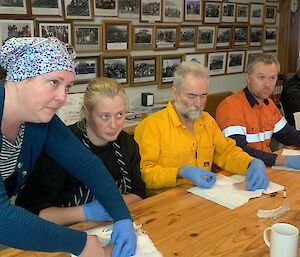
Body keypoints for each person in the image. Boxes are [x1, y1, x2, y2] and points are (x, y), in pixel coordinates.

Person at [0, 37, 136, 257]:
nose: (63, 97)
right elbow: (2, 218)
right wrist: (80, 243)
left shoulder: (39, 120)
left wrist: (122, 216)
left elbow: (87, 164)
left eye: (68, 86)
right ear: (20, 78)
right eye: (54, 82)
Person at [16, 77, 146, 225]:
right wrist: (86, 212)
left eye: (120, 114)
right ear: (86, 112)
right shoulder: (60, 147)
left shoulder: (127, 144)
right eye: (104, 116)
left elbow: (139, 192)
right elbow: (28, 211)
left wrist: (114, 205)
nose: (114, 125)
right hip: (64, 232)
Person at [134, 61, 269, 196]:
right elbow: (143, 174)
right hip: (165, 202)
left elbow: (227, 153)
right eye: (191, 96)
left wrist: (252, 163)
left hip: (204, 196)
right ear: (174, 93)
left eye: (203, 96)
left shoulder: (207, 120)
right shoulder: (151, 126)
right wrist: (180, 172)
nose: (198, 104)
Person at [216, 53, 300, 170]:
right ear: (247, 78)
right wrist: (281, 160)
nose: (267, 84)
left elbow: (287, 134)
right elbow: (239, 151)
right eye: (261, 77)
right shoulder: (231, 106)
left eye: (272, 78)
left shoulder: (268, 104)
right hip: (237, 172)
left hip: (266, 167)